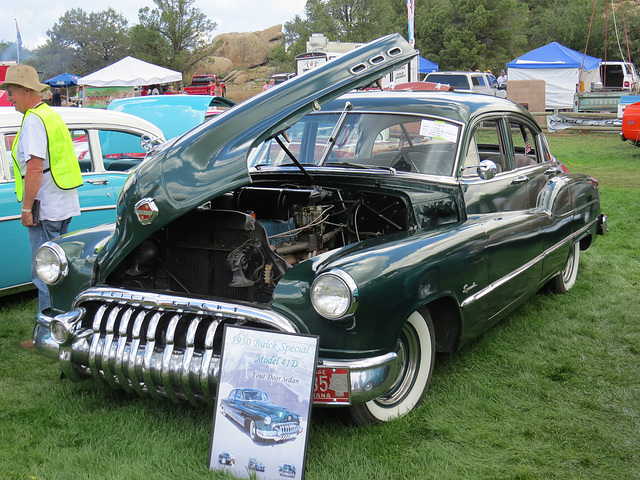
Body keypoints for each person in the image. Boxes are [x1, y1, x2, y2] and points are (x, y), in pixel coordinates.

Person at [1, 65, 82, 348]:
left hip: (44, 207)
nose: (8, 97)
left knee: (45, 271)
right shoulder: (50, 115)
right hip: (61, 202)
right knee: (60, 269)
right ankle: (66, 326)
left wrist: (26, 209)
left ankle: (47, 335)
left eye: (10, 92)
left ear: (26, 90)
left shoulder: (34, 120)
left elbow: (34, 168)